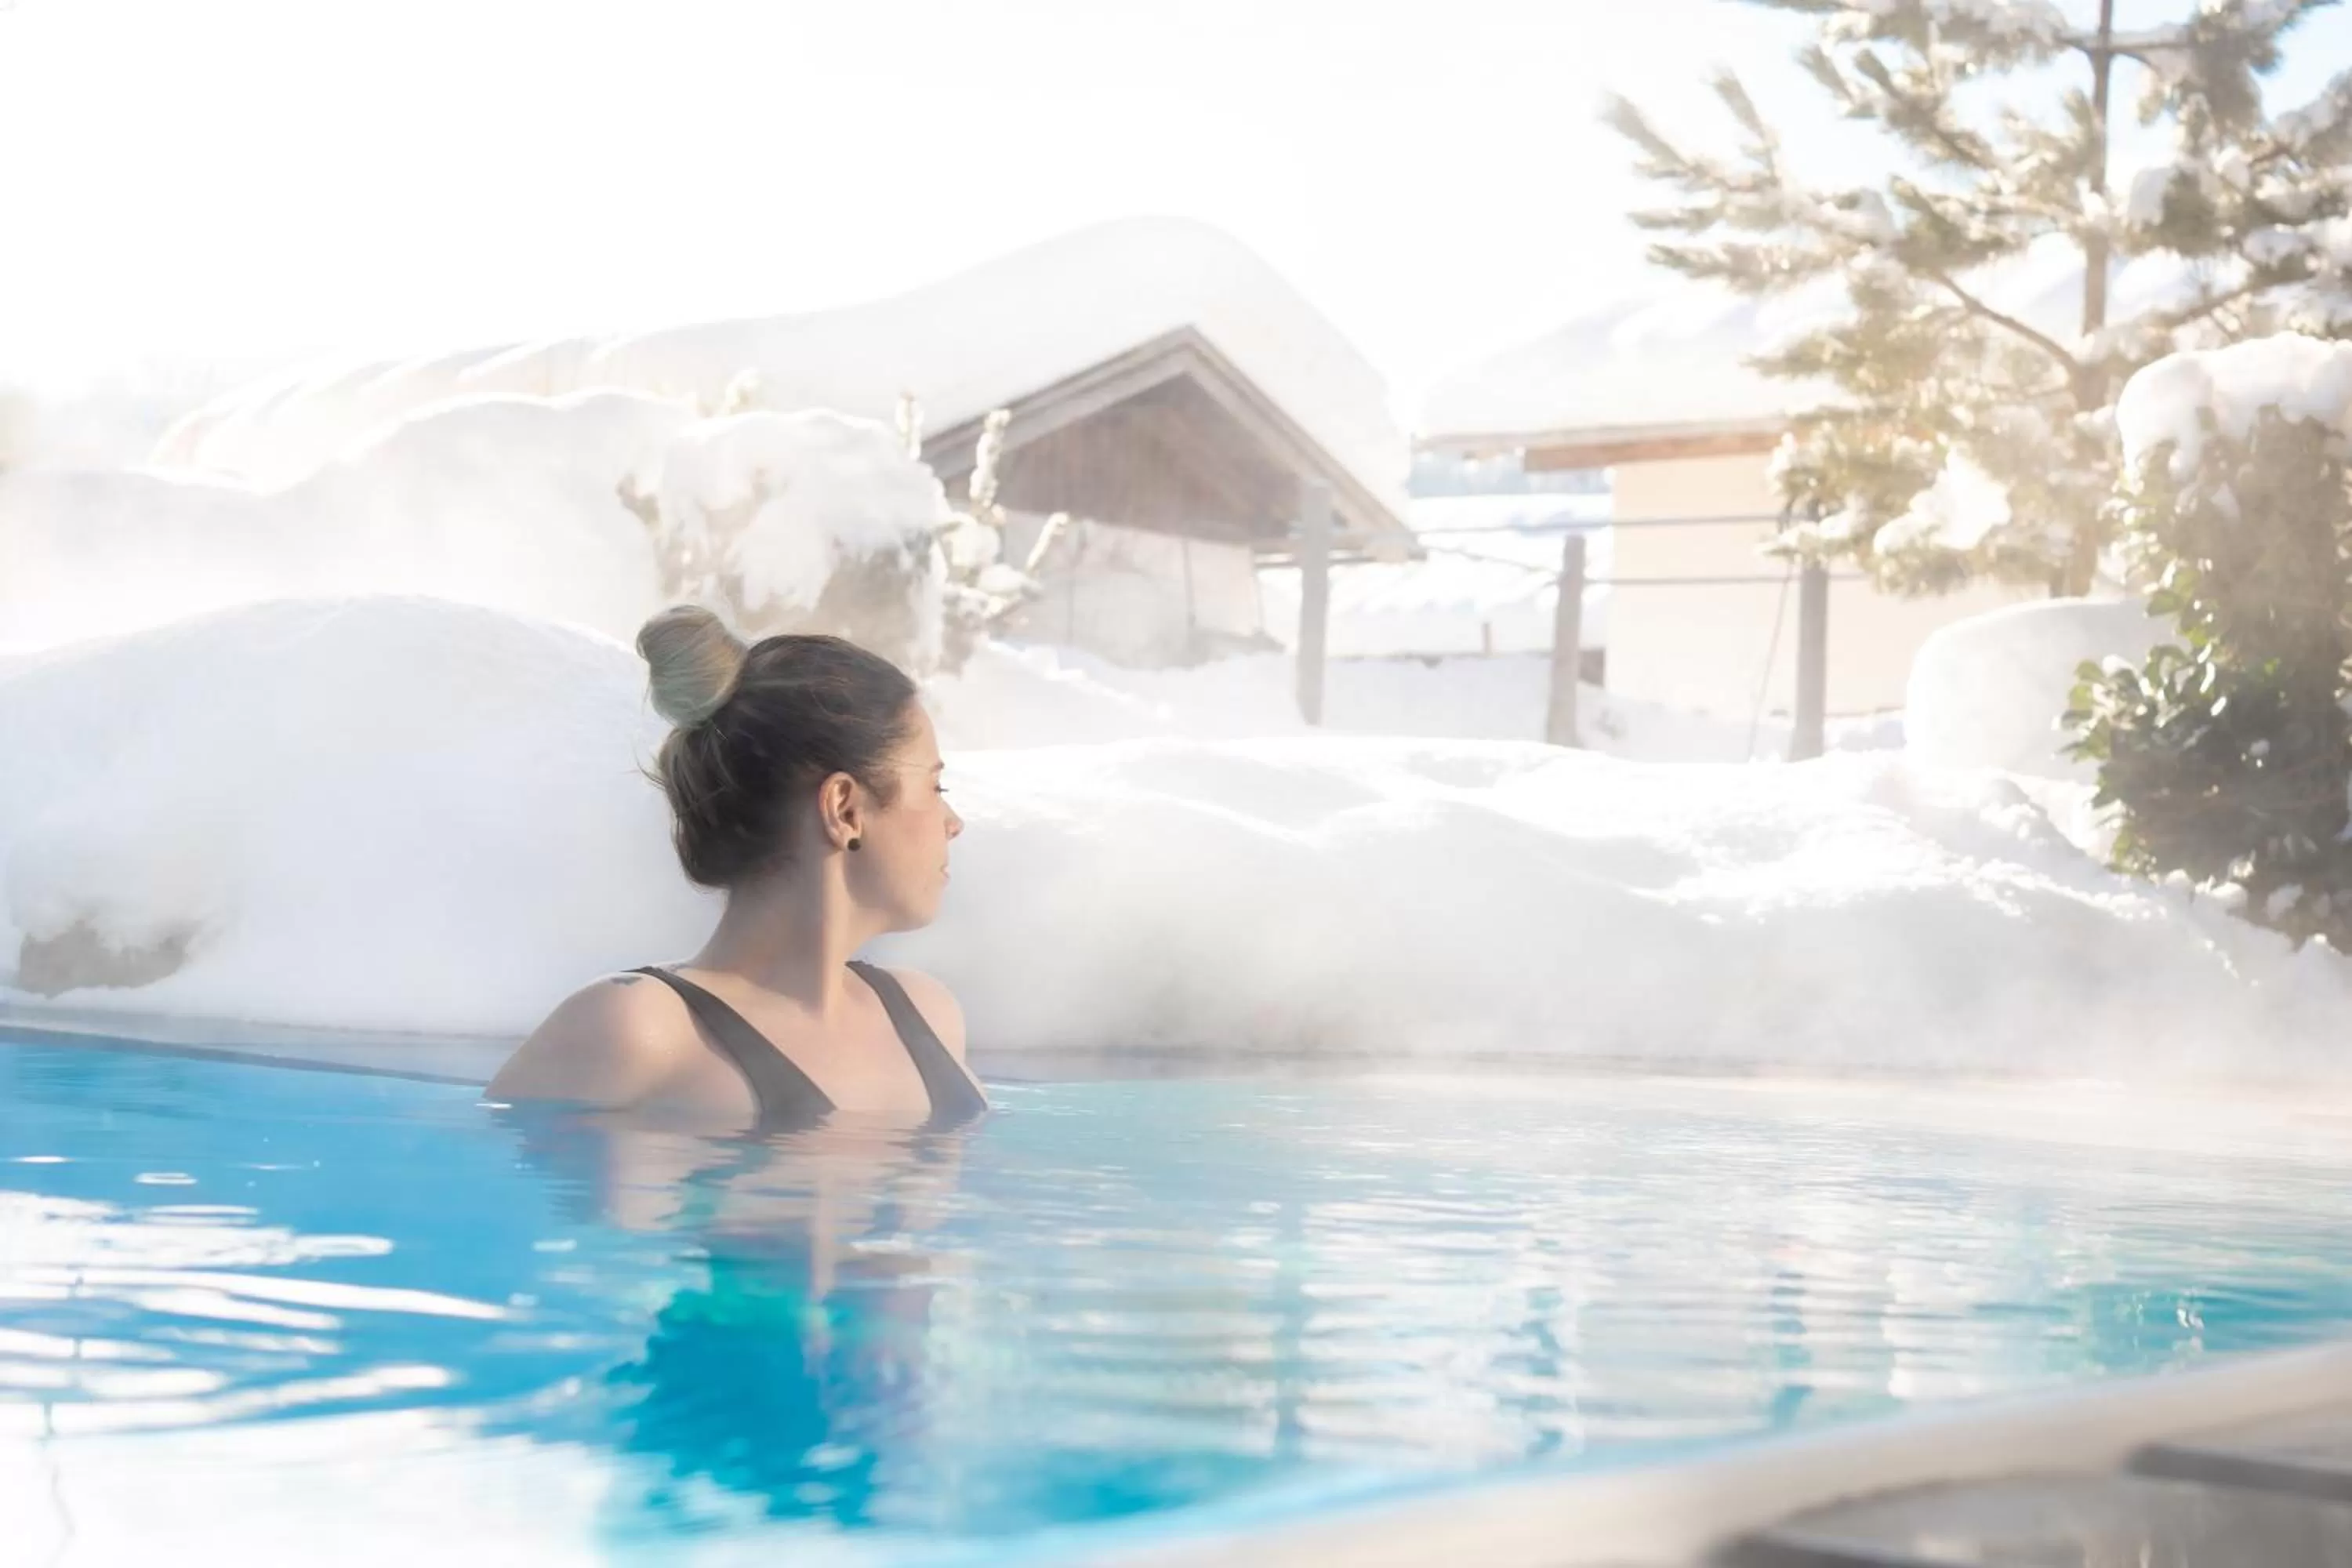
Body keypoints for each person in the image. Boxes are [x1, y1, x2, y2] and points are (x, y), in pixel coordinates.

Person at [490, 606, 986, 1133]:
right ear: (844, 810)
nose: (953, 823)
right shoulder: (641, 1030)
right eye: (935, 787)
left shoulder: (929, 1017)